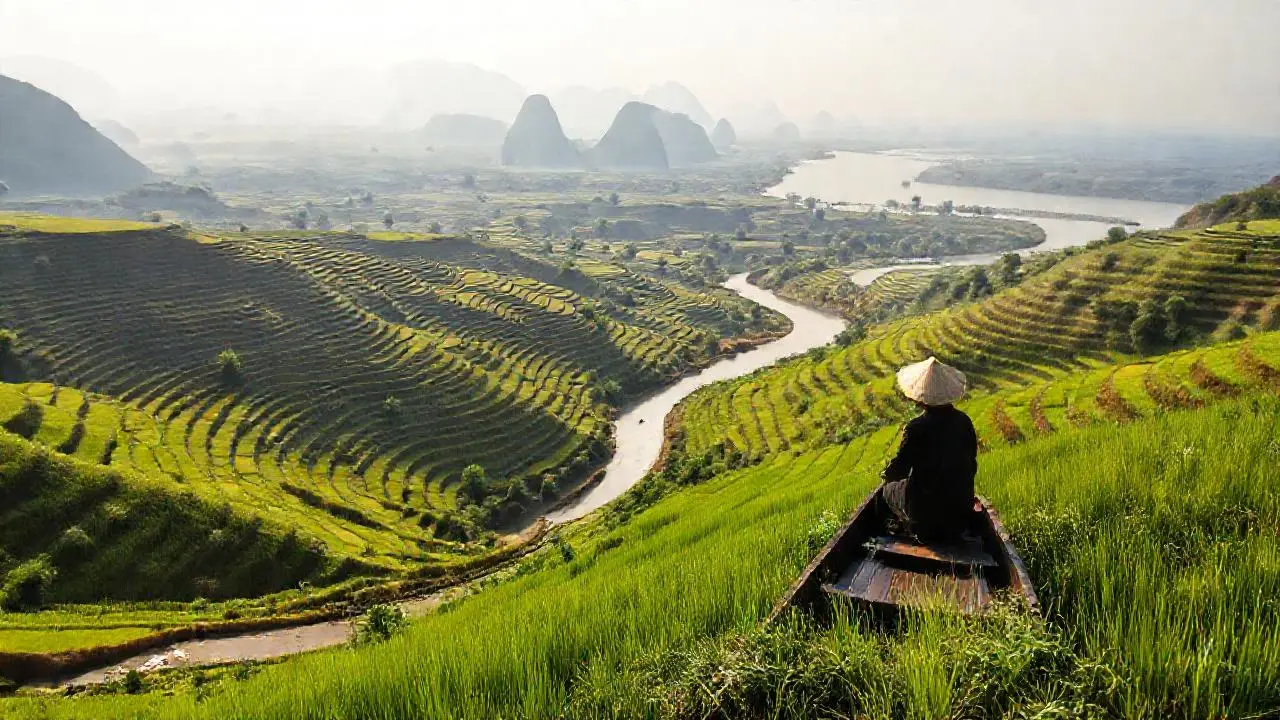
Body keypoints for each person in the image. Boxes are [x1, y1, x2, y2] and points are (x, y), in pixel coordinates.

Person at [879, 356, 978, 541]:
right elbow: (971, 463)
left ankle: (901, 524)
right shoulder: (964, 422)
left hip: (924, 520)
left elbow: (900, 469)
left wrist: (887, 475)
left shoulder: (916, 427)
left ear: (922, 398)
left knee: (886, 490)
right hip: (960, 518)